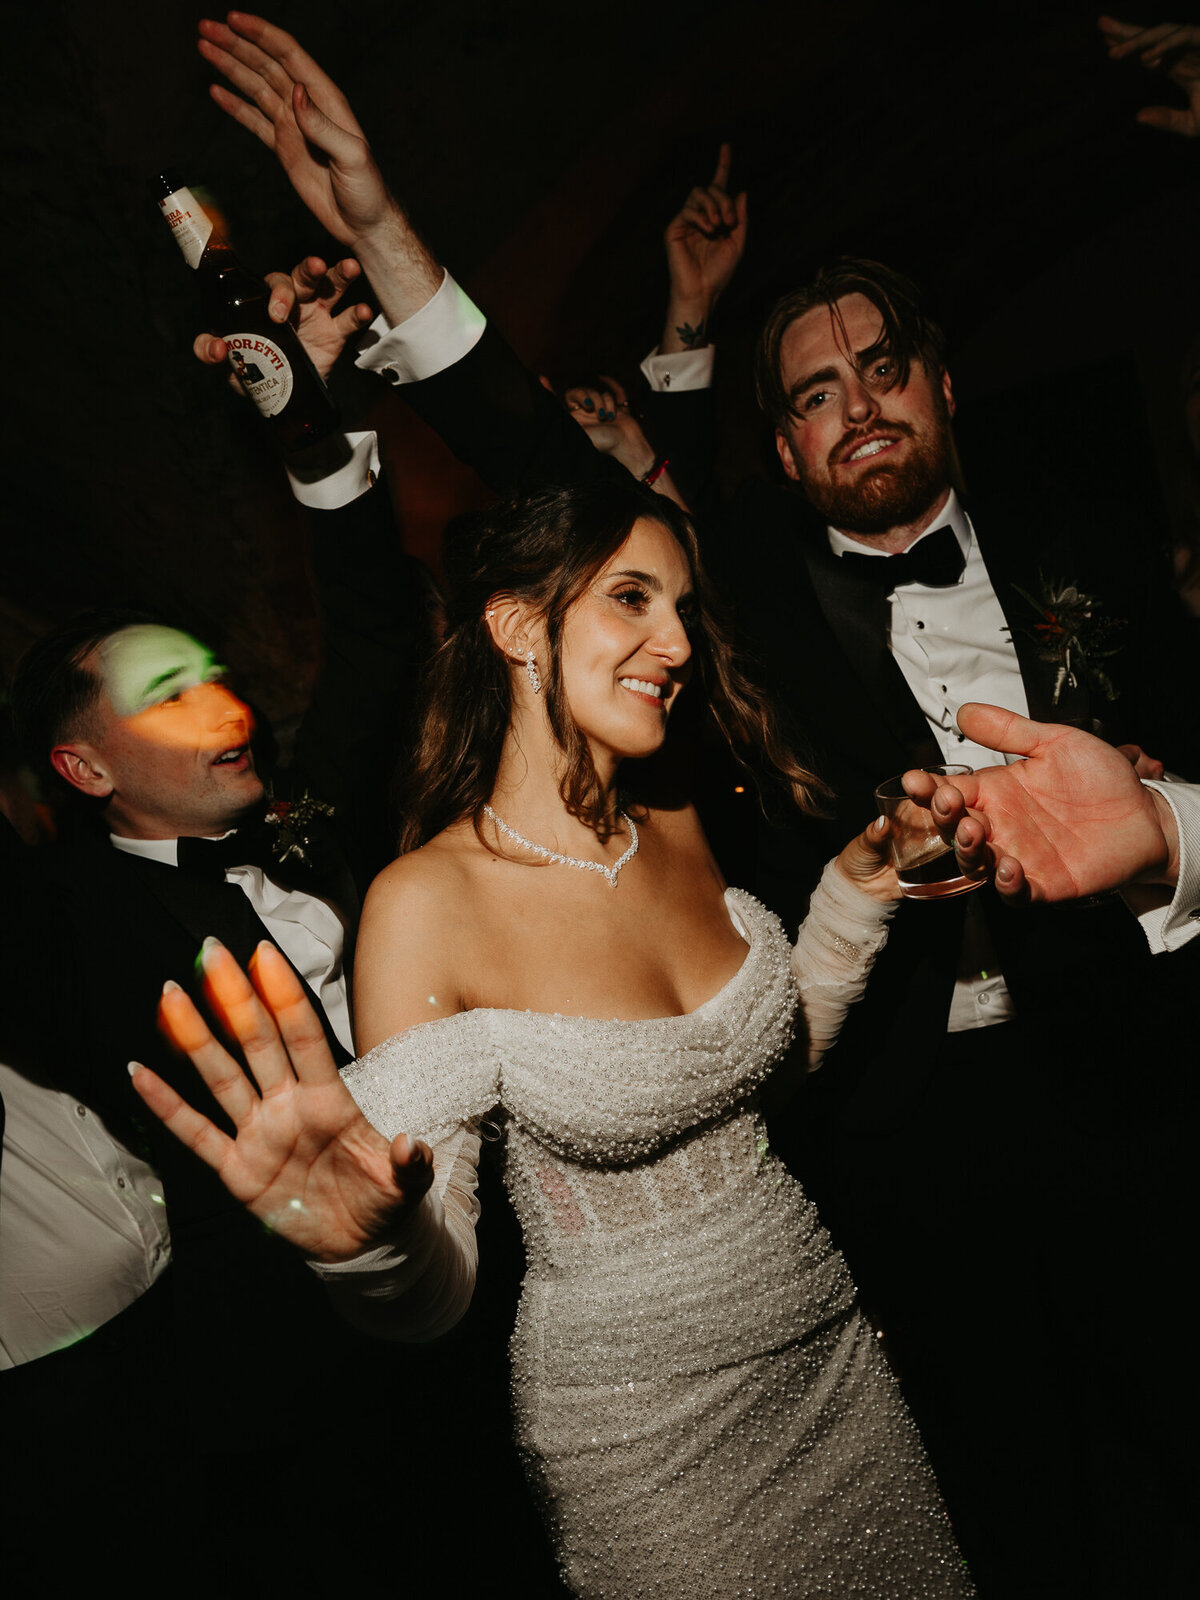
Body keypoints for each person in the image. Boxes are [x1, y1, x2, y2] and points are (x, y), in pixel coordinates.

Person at [130, 474, 977, 1598]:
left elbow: (760, 1077)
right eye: (632, 598)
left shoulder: (674, 817)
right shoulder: (427, 904)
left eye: (682, 606)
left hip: (832, 1351)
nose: (675, 641)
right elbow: (437, 1285)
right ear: (519, 625)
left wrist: (860, 889)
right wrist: (369, 1245)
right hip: (649, 1441)